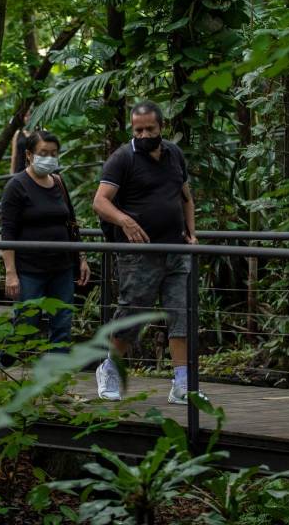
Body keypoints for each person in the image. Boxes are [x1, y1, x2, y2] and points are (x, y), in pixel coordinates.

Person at [91, 101, 198, 404]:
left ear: (162, 127)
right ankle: (110, 366)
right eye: (138, 129)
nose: (144, 134)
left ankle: (182, 382)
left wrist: (191, 233)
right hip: (139, 254)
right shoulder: (123, 158)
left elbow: (186, 197)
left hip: (175, 250)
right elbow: (100, 202)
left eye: (150, 128)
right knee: (133, 313)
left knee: (182, 314)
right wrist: (124, 220)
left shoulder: (174, 155)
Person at [0, 131, 91, 362]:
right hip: (30, 270)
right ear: (29, 155)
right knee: (25, 324)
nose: (49, 158)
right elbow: (7, 232)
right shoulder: (17, 186)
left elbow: (71, 222)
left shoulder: (58, 182)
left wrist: (81, 257)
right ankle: (0, 372)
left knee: (62, 326)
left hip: (61, 268)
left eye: (53, 153)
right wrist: (10, 273)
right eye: (43, 153)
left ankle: (56, 383)